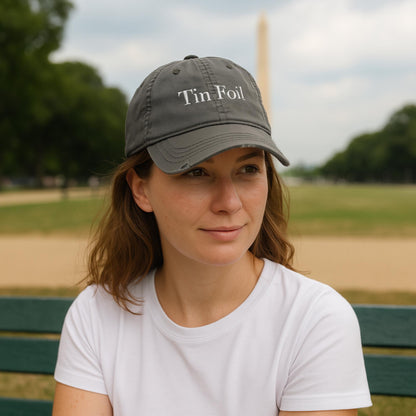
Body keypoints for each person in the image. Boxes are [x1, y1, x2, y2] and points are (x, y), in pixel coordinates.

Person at [52, 55, 372, 416]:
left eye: (248, 169)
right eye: (196, 173)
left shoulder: (314, 319)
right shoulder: (97, 314)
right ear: (141, 189)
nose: (229, 202)